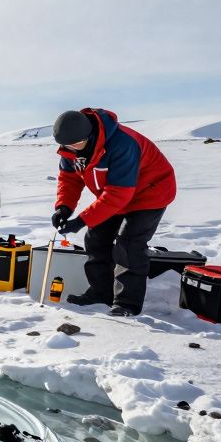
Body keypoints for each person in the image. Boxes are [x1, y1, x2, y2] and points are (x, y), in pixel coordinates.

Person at [50, 108, 176, 316]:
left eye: (76, 144)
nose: (72, 149)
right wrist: (63, 207)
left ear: (89, 136)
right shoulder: (71, 149)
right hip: (116, 194)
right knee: (96, 238)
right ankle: (101, 293)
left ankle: (126, 304)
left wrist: (81, 220)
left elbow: (119, 194)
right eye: (67, 145)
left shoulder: (122, 144)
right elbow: (69, 179)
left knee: (129, 244)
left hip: (151, 192)